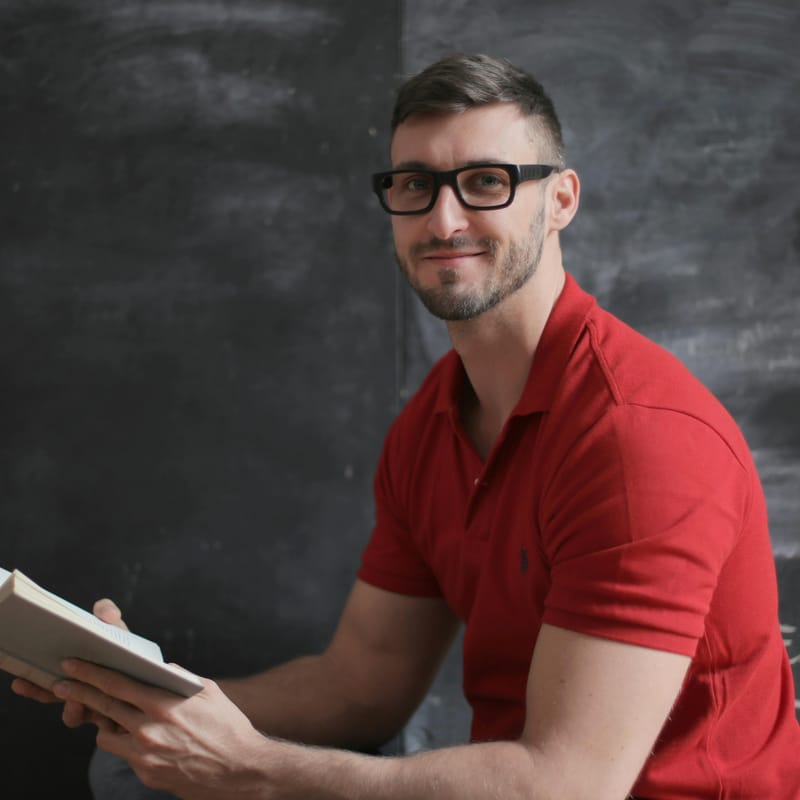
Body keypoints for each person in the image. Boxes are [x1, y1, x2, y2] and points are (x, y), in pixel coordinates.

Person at [12, 52, 800, 799]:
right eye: (415, 185)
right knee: (127, 772)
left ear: (560, 199)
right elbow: (360, 684)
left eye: (485, 181)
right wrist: (148, 693)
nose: (443, 217)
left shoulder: (637, 439)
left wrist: (254, 769)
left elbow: (569, 784)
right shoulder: (433, 423)